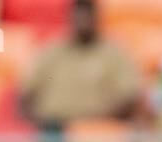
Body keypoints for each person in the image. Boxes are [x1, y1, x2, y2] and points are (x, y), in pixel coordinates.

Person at [19, 0, 141, 129]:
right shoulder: (52, 51)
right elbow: (26, 94)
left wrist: (99, 122)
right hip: (54, 131)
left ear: (96, 18)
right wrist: (38, 122)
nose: (83, 23)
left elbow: (129, 98)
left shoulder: (115, 53)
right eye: (79, 17)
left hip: (100, 131)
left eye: (87, 17)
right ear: (70, 18)